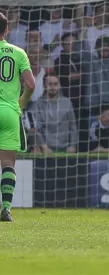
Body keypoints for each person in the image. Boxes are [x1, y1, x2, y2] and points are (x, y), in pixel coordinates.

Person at [0, 12, 36, 222]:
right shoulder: (18, 53)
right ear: (6, 30)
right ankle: (5, 208)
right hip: (9, 112)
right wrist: (19, 104)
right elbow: (31, 85)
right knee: (7, 164)